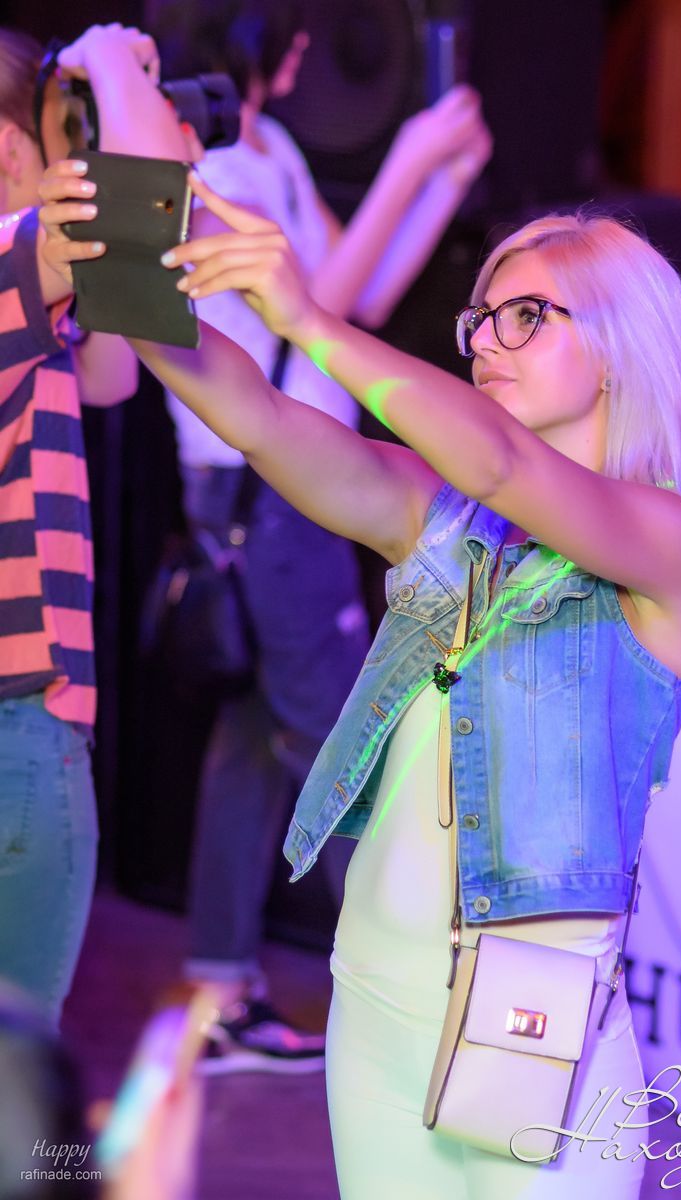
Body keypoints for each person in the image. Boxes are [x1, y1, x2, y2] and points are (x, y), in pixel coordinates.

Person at [40, 165, 681, 1197]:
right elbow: (259, 417)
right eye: (481, 319)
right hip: (370, 997)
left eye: (526, 317)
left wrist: (309, 317)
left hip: (531, 1033)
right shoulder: (440, 513)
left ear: (620, 347)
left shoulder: (675, 545)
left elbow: (501, 464)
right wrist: (126, 279)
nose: (486, 342)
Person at [150, 0, 492, 1071]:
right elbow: (303, 305)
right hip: (261, 493)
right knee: (352, 743)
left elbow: (357, 300)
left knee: (256, 746)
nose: (305, 51)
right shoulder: (204, 162)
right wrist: (408, 157)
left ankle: (219, 994)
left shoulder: (273, 149)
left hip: (287, 488)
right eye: (293, 33)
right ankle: (405, 1017)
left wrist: (442, 179)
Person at [0, 23, 188, 1028]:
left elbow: (112, 369)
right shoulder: (8, 259)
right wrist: (114, 65)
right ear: (12, 150)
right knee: (23, 1089)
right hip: (16, 726)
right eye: (62, 137)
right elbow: (141, 228)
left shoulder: (26, 298)